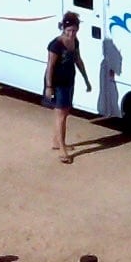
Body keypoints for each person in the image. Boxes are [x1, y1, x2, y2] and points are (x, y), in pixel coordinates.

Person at [44, 12, 86, 163]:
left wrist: (86, 79)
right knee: (61, 114)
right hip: (57, 83)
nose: (71, 33)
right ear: (63, 28)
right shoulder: (56, 44)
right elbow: (50, 67)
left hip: (69, 81)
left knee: (64, 112)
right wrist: (49, 87)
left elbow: (78, 60)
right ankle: (62, 149)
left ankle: (57, 141)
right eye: (69, 30)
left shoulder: (75, 42)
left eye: (74, 30)